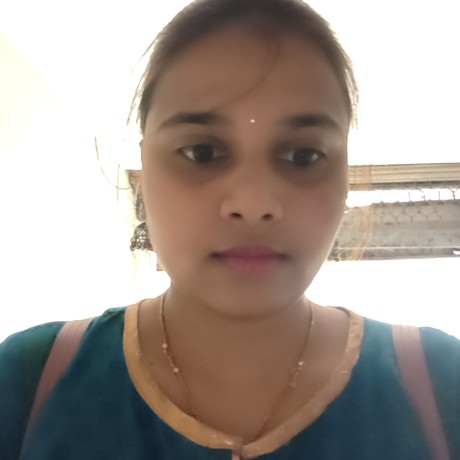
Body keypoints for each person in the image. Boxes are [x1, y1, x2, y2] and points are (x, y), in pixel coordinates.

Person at [1, 0, 459, 458]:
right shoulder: (26, 379)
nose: (253, 204)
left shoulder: (441, 381)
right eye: (201, 152)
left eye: (303, 155)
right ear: (145, 169)